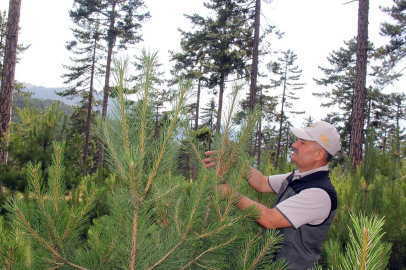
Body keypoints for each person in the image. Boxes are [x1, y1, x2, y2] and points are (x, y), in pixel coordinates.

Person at [204, 121, 341, 270]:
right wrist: (235, 161)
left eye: (302, 143)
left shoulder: (318, 194)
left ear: (319, 154)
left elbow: (270, 219)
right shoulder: (298, 177)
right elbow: (262, 183)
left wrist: (231, 194)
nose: (294, 145)